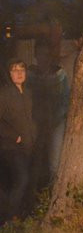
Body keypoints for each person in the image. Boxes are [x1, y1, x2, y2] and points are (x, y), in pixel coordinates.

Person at [0, 60, 36, 223]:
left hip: (28, 145)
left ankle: (19, 214)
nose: (19, 73)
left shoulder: (27, 93)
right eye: (15, 70)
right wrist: (14, 136)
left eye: (22, 69)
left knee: (22, 181)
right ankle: (8, 217)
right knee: (21, 179)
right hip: (11, 147)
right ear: (9, 73)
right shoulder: (5, 93)